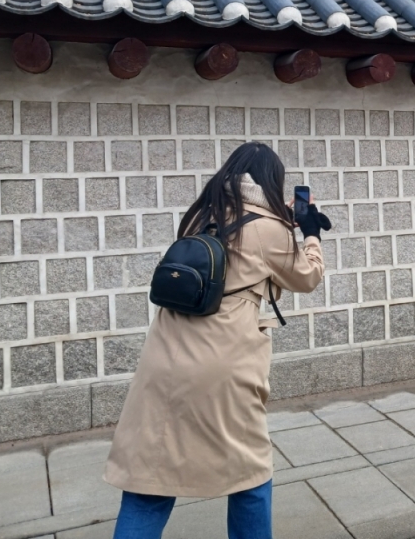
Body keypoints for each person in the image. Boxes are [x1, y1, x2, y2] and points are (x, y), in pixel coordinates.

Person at [103, 142, 327, 538]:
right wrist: (309, 234)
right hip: (223, 363)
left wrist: (282, 224)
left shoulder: (200, 215)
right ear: (272, 182)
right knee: (249, 472)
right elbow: (305, 278)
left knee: (150, 480)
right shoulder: (271, 229)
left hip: (166, 356)